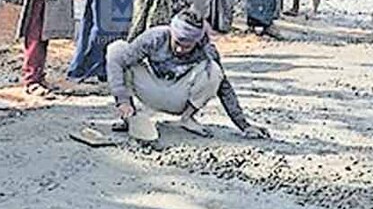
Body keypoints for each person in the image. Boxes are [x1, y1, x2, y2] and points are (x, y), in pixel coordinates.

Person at [106, 9, 269, 148]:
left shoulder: (206, 49)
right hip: (150, 88)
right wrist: (122, 100)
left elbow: (224, 88)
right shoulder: (155, 37)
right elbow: (119, 61)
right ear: (172, 33)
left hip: (180, 97)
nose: (180, 49)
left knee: (214, 70)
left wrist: (244, 126)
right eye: (177, 42)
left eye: (187, 46)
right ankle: (130, 117)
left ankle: (187, 118)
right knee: (117, 49)